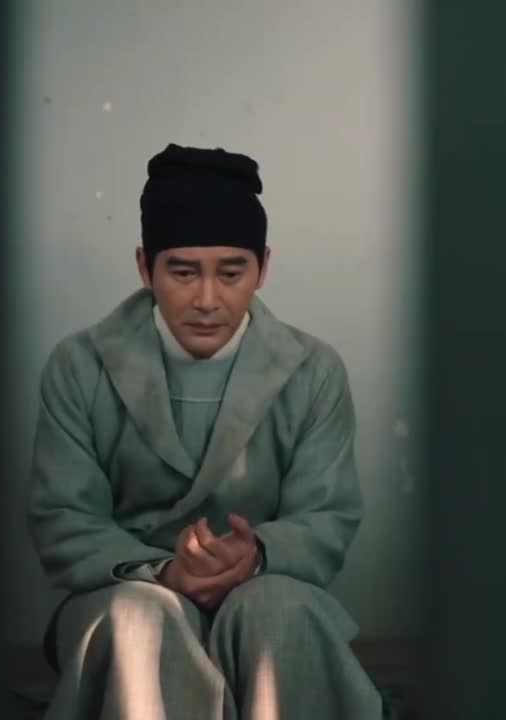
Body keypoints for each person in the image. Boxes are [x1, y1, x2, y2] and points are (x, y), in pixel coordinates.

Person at [27, 144, 384, 719]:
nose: (208, 300)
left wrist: (255, 555)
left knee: (279, 613)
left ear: (263, 267)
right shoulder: (80, 365)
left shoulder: (313, 370)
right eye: (183, 272)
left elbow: (326, 516)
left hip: (269, 582)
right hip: (125, 586)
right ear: (145, 267)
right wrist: (165, 571)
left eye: (232, 272)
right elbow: (63, 519)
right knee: (140, 620)